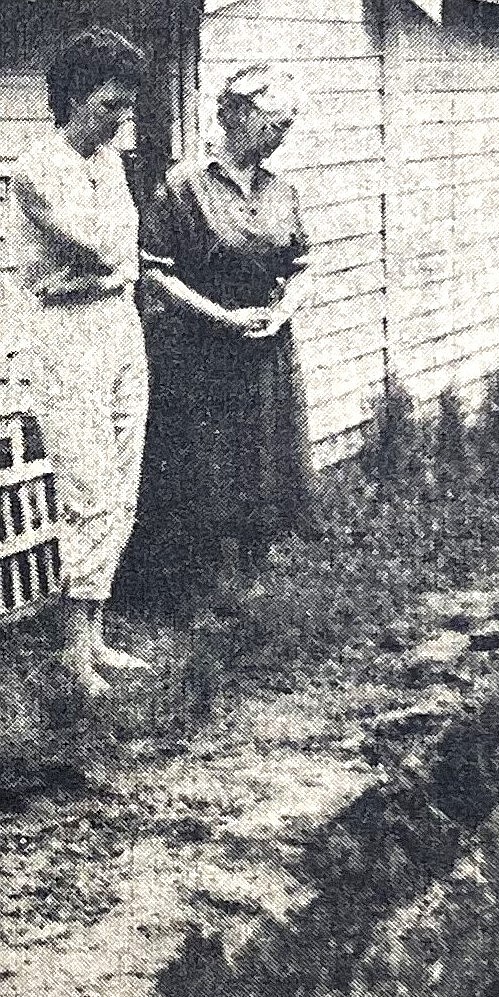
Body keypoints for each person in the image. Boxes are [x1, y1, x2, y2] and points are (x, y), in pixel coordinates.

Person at [135, 65, 314, 609]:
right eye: (273, 121)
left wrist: (283, 310)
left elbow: (301, 264)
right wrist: (217, 314)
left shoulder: (283, 190)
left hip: (265, 343)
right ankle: (203, 582)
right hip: (202, 347)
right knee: (210, 458)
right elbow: (155, 270)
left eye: (287, 124)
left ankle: (259, 568)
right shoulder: (184, 185)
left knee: (264, 452)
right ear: (235, 115)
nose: (281, 133)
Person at [8, 27, 150, 700]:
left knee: (123, 481)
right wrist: (103, 259)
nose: (122, 119)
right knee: (88, 485)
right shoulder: (37, 168)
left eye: (126, 106)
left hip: (118, 323)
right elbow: (96, 250)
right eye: (108, 106)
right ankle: (71, 651)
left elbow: (125, 250)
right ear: (71, 98)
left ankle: (95, 635)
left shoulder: (110, 161)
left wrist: (108, 260)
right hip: (67, 332)